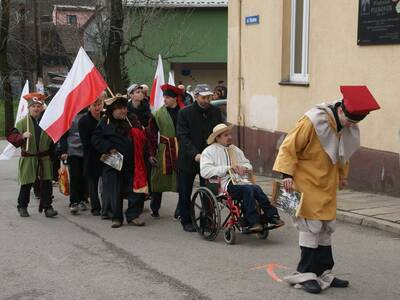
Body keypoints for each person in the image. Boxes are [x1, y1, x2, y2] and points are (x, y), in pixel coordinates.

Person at [272, 86, 380, 294]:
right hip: (306, 180)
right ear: (341, 111)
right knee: (311, 226)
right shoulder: (313, 120)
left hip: (327, 183)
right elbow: (289, 146)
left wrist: (343, 175)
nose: (351, 126)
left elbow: (342, 153)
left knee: (326, 227)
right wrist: (287, 175)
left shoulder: (345, 125)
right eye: (349, 121)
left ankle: (323, 272)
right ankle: (305, 274)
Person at [200, 124, 284, 233]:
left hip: (239, 181)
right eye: (226, 135)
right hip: (222, 184)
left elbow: (248, 164)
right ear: (218, 137)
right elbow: (205, 171)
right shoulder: (209, 151)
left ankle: (272, 216)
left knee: (256, 188)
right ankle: (253, 221)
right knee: (248, 190)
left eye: (229, 134)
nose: (229, 137)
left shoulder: (235, 149)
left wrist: (243, 168)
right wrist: (228, 168)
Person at [92, 94, 146, 228]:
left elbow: (142, 136)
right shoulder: (105, 121)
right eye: (119, 109)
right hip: (113, 161)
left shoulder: (132, 119)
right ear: (112, 110)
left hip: (133, 161)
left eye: (124, 108)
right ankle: (117, 217)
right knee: (115, 190)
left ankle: (133, 215)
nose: (123, 111)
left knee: (135, 189)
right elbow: (96, 139)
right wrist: (108, 148)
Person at [176, 84, 223, 232]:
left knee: (208, 191)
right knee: (185, 191)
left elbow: (219, 133)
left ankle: (207, 221)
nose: (206, 100)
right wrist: (195, 154)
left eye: (209, 97)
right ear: (196, 97)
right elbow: (182, 136)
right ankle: (186, 220)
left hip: (209, 159)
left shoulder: (215, 111)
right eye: (203, 97)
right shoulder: (185, 112)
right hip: (189, 158)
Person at [7, 92, 58, 218]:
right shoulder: (22, 123)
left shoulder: (47, 122)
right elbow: (12, 138)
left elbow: (53, 141)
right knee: (27, 183)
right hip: (29, 157)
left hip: (44, 158)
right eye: (33, 106)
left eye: (38, 106)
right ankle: (22, 206)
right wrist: (22, 136)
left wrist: (55, 156)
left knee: (46, 183)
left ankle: (48, 207)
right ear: (29, 108)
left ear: (42, 108)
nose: (36, 108)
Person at [147, 84, 183, 218]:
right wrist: (151, 153)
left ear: (175, 98)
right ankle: (154, 207)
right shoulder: (158, 114)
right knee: (158, 179)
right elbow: (150, 135)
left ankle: (180, 211)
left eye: (167, 97)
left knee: (182, 181)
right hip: (164, 150)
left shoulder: (184, 112)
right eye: (164, 97)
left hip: (181, 150)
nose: (165, 99)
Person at [78, 92, 106, 216]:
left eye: (99, 104)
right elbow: (86, 142)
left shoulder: (106, 117)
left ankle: (107, 205)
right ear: (89, 106)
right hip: (91, 155)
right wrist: (100, 150)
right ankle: (95, 207)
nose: (97, 107)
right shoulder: (83, 121)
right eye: (94, 105)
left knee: (106, 182)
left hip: (107, 154)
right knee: (93, 183)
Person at [59, 109, 87, 214]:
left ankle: (82, 199)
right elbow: (63, 135)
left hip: (85, 150)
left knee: (84, 176)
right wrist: (64, 150)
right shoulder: (69, 115)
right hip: (72, 150)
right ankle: (74, 201)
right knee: (75, 176)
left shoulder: (87, 114)